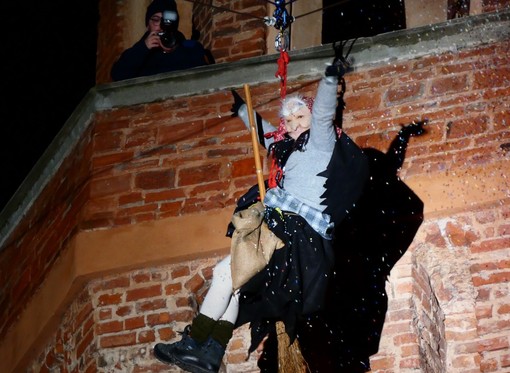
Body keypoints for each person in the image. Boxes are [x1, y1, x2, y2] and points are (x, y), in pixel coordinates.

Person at [153, 58, 371, 372]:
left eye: (301, 116)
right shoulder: (290, 148)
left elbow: (323, 111)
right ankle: (212, 351)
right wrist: (243, 110)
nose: (295, 124)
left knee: (225, 273)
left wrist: (328, 78)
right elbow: (266, 134)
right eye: (290, 119)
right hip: (286, 234)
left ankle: (195, 343)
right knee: (235, 284)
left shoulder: (321, 144)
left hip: (292, 233)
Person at [110, 0, 212, 81]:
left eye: (166, 21)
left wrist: (175, 50)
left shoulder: (190, 46)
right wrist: (143, 48)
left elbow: (204, 75)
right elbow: (118, 75)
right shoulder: (138, 53)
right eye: (156, 20)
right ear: (147, 25)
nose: (161, 25)